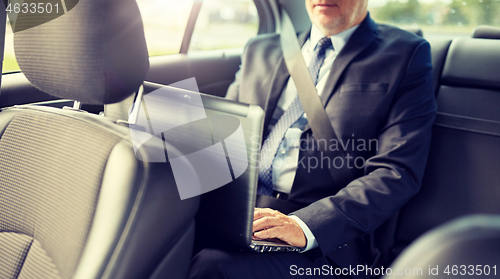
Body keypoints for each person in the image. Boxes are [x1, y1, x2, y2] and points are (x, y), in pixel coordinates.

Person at [189, 0, 436, 278]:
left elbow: (396, 172)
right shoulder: (261, 49)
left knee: (215, 266)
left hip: (328, 237)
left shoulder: (406, 54)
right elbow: (226, 136)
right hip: (242, 214)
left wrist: (305, 226)